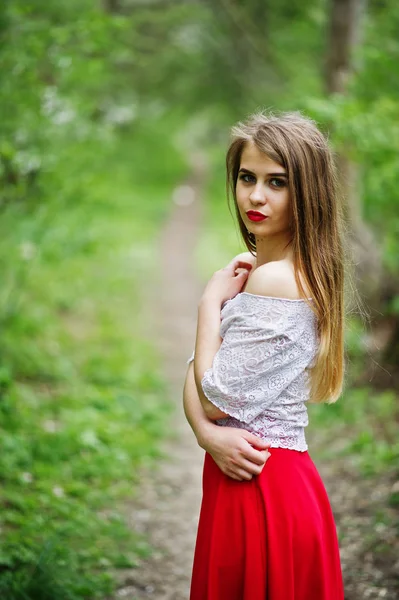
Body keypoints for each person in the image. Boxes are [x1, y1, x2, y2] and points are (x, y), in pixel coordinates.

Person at [183, 111, 346, 599]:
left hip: (261, 488)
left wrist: (209, 304)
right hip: (255, 477)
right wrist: (206, 433)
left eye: (277, 183)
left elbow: (213, 396)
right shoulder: (273, 270)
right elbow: (203, 378)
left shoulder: (276, 280)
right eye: (246, 178)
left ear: (307, 194)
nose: (256, 196)